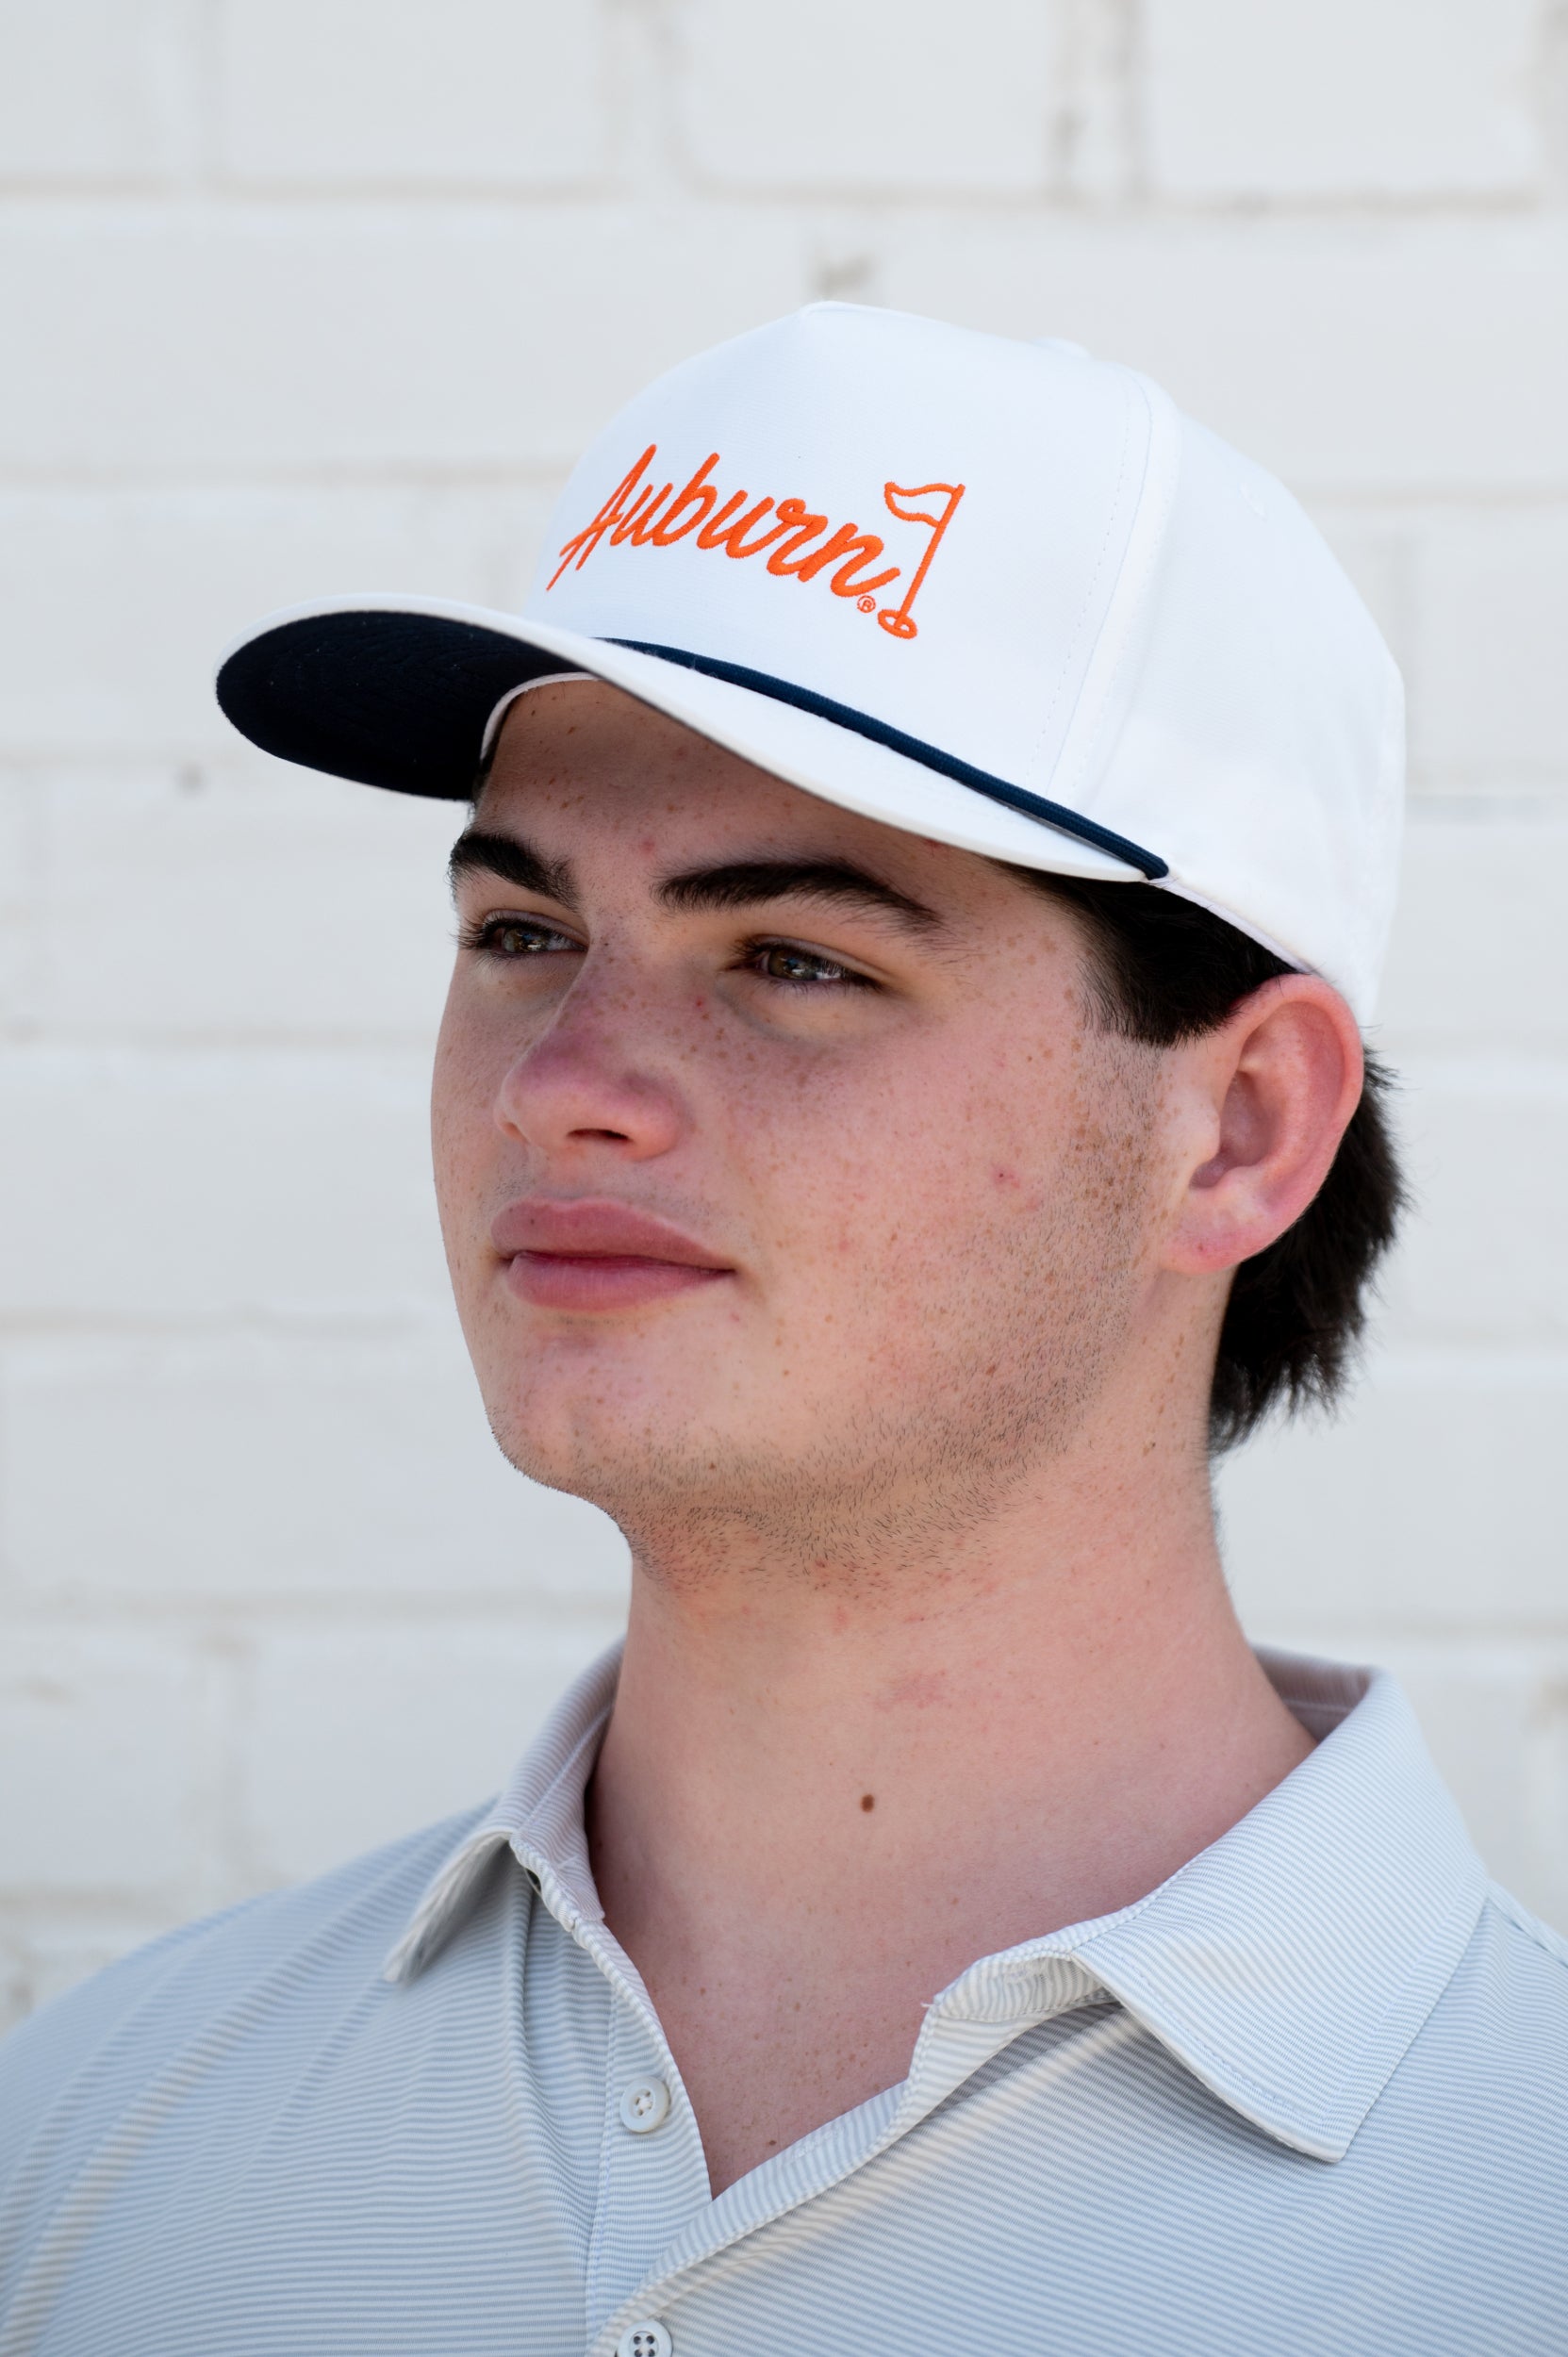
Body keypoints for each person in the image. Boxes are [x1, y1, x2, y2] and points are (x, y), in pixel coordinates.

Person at [1, 305, 1563, 2357]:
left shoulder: (1510, 2217)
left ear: (1238, 1125)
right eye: (522, 931)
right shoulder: (98, 2140)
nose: (563, 1078)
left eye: (794, 957)